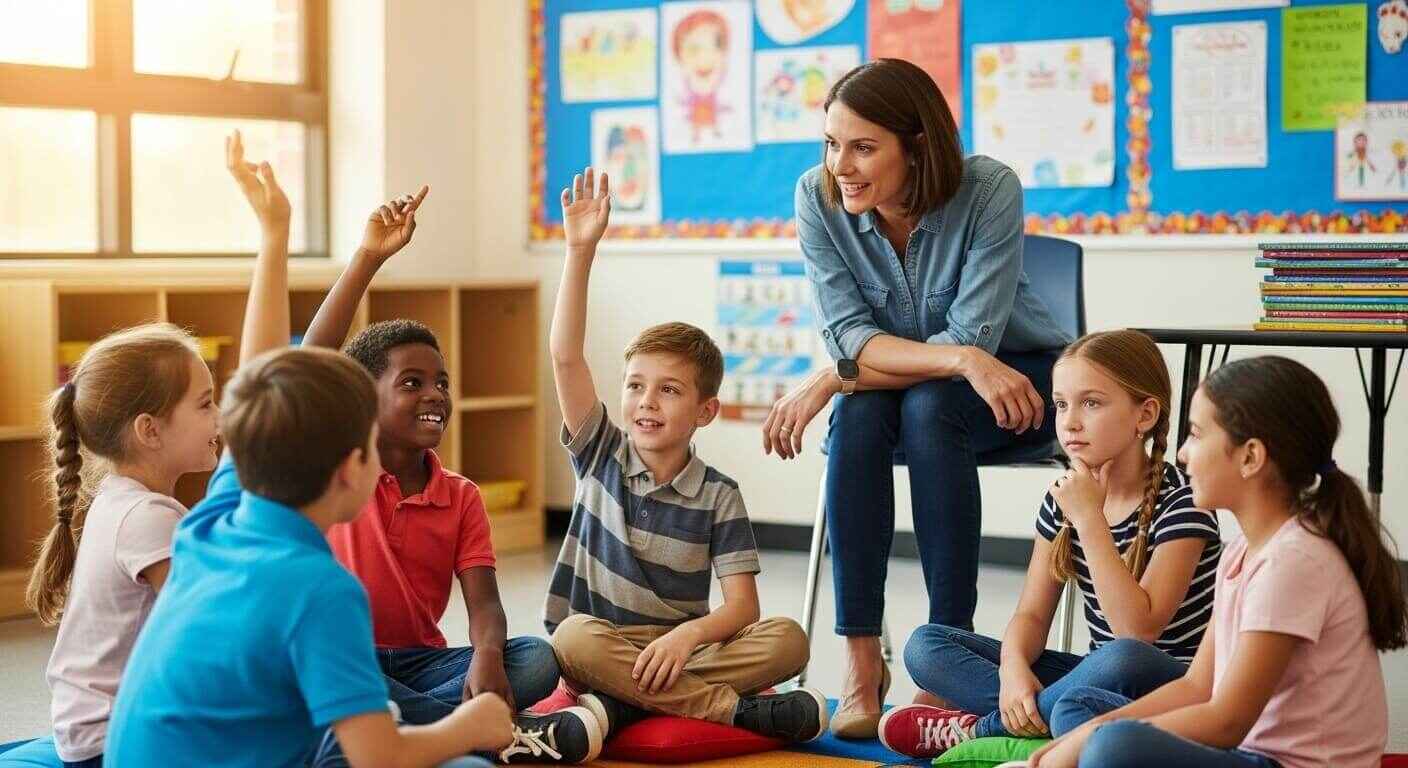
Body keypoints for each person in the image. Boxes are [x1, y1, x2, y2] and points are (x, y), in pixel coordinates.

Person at [762, 58, 1071, 737]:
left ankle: (944, 659)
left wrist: (838, 372)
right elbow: (850, 336)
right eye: (831, 143)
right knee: (860, 410)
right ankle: (862, 661)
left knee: (921, 408)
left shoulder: (990, 189)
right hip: (923, 380)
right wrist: (855, 372)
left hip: (1015, 379)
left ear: (917, 146)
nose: (841, 165)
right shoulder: (816, 197)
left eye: (864, 147)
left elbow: (977, 334)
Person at [545, 165, 826, 743]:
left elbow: (741, 609)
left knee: (789, 637)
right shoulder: (600, 451)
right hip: (601, 646)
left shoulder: (719, 494)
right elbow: (566, 357)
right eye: (635, 385)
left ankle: (626, 705)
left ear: (705, 411)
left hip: (682, 654)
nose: (646, 402)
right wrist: (579, 252)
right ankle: (729, 712)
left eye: (669, 390)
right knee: (570, 638)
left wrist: (684, 638)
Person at [1028, 356, 1406, 768]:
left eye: (1196, 434)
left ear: (1250, 457)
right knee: (1080, 709)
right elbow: (1196, 685)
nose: (1184, 454)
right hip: (1245, 750)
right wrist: (1088, 732)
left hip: (1278, 760)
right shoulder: (1245, 546)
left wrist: (1094, 739)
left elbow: (1227, 721)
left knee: (1111, 745)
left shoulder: (1295, 562)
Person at [879, 330, 1219, 758]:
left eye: (1091, 403)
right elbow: (1032, 614)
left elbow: (1138, 631)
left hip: (1168, 686)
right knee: (926, 647)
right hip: (1091, 683)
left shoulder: (1184, 502)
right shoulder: (1063, 498)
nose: (1070, 421)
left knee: (1123, 656)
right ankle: (1032, 718)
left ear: (1144, 415)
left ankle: (981, 730)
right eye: (1061, 404)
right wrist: (1013, 671)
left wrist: (1089, 519)